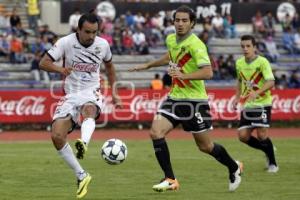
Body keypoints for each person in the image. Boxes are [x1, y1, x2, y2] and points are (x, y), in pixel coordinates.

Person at [129, 5, 242, 192]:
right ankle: (170, 179)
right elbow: (171, 56)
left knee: (205, 146)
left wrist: (183, 76)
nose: (180, 24)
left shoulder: (197, 45)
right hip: (174, 98)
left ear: (192, 24)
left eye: (184, 20)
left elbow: (208, 72)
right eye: (177, 20)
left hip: (195, 101)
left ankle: (234, 166)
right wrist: (148, 65)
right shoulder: (171, 39)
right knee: (155, 132)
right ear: (173, 22)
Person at [39, 13, 122, 198]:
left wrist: (115, 93)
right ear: (78, 29)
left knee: (89, 110)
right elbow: (43, 63)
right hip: (70, 95)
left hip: (91, 91)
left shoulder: (103, 45)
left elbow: (109, 67)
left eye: (94, 32)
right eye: (87, 32)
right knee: (57, 136)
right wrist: (61, 69)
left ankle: (83, 143)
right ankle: (81, 175)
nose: (91, 36)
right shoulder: (65, 43)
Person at [233, 35, 279, 173]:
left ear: (255, 47)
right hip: (248, 104)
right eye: (243, 46)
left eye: (248, 46)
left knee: (262, 134)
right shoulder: (239, 63)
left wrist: (257, 93)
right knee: (242, 136)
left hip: (263, 103)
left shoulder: (262, 62)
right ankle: (268, 149)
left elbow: (271, 82)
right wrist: (237, 97)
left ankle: (273, 164)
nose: (245, 49)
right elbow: (239, 81)